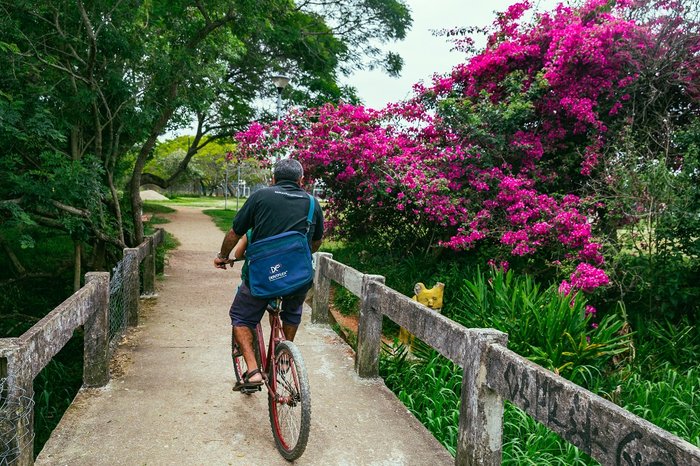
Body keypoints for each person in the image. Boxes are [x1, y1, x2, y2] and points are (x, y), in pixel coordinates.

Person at [214, 158, 324, 389]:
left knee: (242, 317)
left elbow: (236, 232)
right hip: (298, 276)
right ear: (301, 180)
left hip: (263, 275)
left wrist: (223, 256)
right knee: (292, 312)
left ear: (273, 179)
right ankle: (284, 356)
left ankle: (253, 372)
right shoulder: (313, 203)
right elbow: (316, 242)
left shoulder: (260, 196)